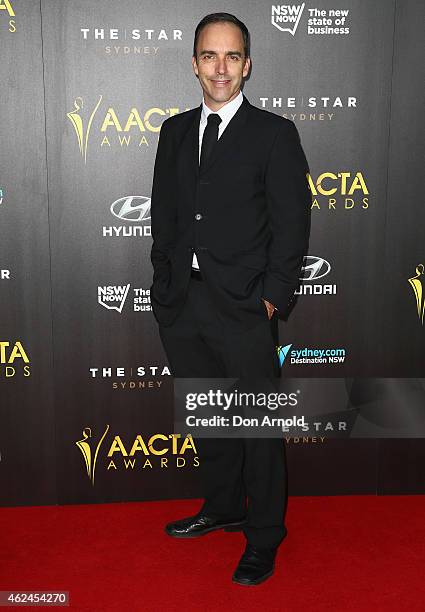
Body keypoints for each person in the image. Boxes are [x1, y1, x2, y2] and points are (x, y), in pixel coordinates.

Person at [150, 12, 311, 586]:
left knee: (260, 430)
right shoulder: (173, 131)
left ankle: (264, 535)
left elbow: (293, 226)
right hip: (184, 305)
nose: (221, 68)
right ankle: (223, 507)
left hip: (245, 307)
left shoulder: (274, 134)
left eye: (232, 56)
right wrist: (164, 285)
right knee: (211, 420)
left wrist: (272, 298)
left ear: (248, 64)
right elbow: (164, 218)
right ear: (194, 63)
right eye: (209, 56)